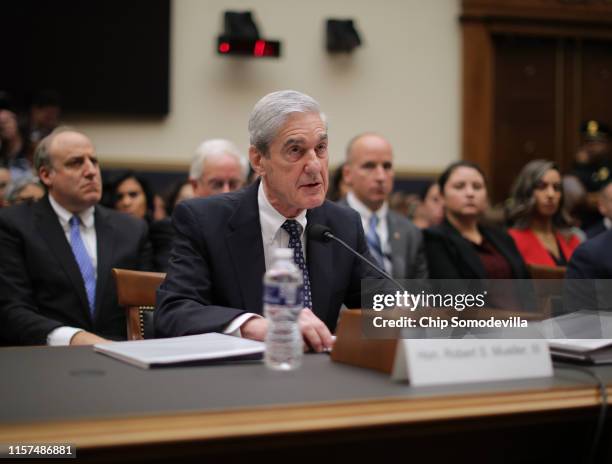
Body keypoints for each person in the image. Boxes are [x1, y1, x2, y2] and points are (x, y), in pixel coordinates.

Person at [155, 90, 379, 351]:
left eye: (320, 148)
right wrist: (258, 327)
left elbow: (384, 300)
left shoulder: (342, 223)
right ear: (258, 160)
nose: (315, 165)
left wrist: (428, 312)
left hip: (320, 381)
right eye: (295, 150)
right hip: (236, 380)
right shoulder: (205, 220)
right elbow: (173, 311)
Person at [0, 128, 152, 346]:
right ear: (46, 175)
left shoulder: (132, 230)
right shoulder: (13, 225)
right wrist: (72, 337)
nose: (91, 171)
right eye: (76, 163)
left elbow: (147, 308)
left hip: (122, 358)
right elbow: (10, 309)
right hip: (45, 357)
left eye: (94, 161)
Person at [341, 133, 428, 279]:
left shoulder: (409, 231)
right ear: (347, 174)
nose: (381, 177)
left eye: (387, 166)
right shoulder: (327, 224)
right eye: (369, 166)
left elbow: (420, 290)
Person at [424, 161, 530, 280]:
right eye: (459, 186)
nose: (470, 193)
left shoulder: (502, 237)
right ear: (442, 196)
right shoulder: (433, 239)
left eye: (477, 187)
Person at [507, 160, 581, 267]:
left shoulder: (572, 240)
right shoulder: (512, 241)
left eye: (556, 188)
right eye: (542, 186)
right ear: (527, 191)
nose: (551, 194)